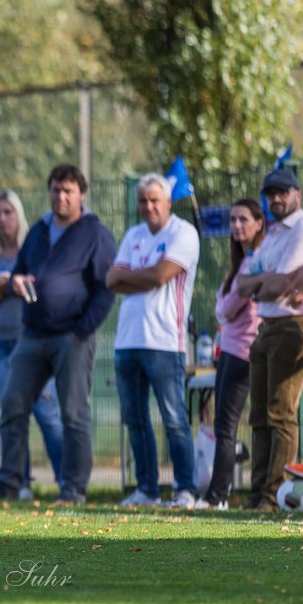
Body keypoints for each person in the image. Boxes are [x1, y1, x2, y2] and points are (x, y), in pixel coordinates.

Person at [0, 164, 116, 505]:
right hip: (32, 335)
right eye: (56, 190)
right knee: (13, 405)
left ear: (81, 195)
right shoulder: (38, 231)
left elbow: (105, 290)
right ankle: (9, 484)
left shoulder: (96, 234)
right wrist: (16, 283)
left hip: (71, 337)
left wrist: (81, 332)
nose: (60, 196)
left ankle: (73, 488)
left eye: (68, 191)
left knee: (73, 414)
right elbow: (19, 272)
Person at [108, 173, 201, 508]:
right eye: (143, 201)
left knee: (174, 418)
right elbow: (111, 280)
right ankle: (146, 489)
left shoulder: (184, 233)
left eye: (154, 200)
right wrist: (142, 278)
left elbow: (162, 275)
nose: (148, 206)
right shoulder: (133, 234)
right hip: (126, 341)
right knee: (135, 419)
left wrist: (131, 277)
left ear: (168, 201)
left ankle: (185, 489)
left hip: (165, 341)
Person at [0, 191, 62, 498]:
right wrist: (1, 290)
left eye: (7, 212)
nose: (1, 219)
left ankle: (69, 483)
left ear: (18, 214)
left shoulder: (33, 250)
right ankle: (18, 483)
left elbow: (49, 294)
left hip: (32, 341)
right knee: (12, 412)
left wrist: (22, 286)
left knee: (46, 412)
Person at [237, 169, 303, 510]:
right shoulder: (274, 234)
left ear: (298, 194)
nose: (275, 199)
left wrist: (263, 284)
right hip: (266, 328)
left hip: (293, 326)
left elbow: (276, 286)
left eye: (282, 192)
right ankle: (257, 493)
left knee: (280, 415)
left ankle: (274, 495)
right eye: (270, 194)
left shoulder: (301, 229)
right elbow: (241, 284)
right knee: (259, 416)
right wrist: (268, 282)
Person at [199, 199, 263, 510]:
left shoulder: (257, 261)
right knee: (224, 427)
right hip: (229, 350)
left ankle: (217, 498)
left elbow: (225, 308)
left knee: (226, 426)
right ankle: (218, 493)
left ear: (259, 223)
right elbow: (224, 307)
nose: (237, 226)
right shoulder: (241, 262)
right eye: (233, 220)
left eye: (244, 220)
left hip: (243, 352)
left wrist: (223, 307)